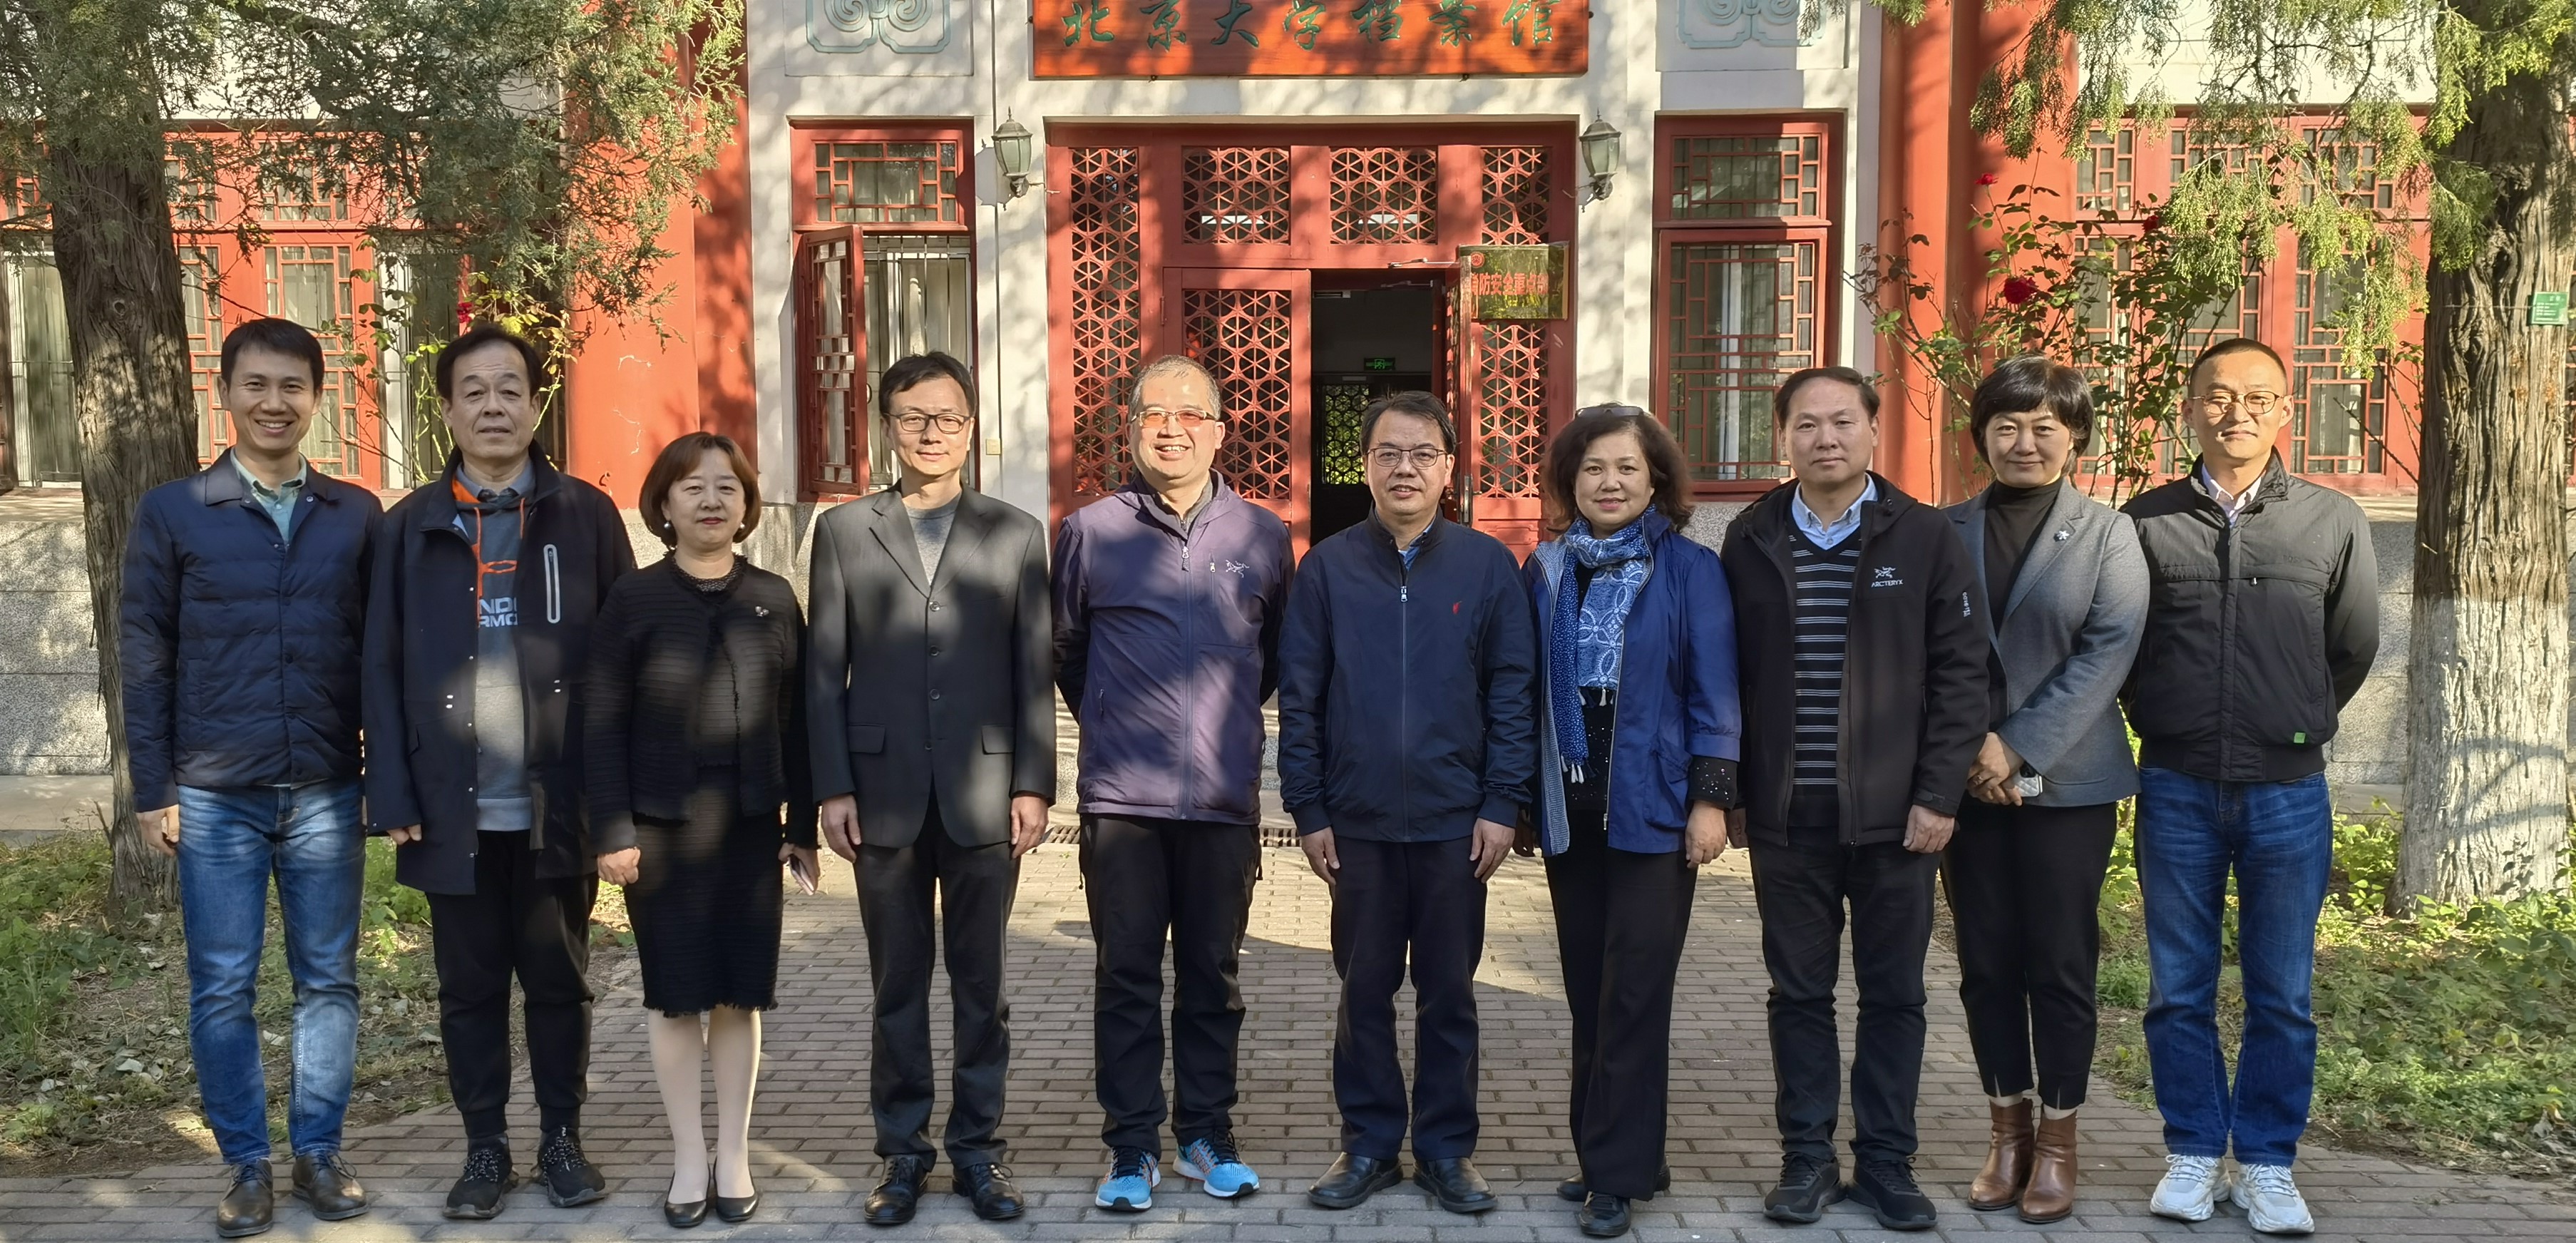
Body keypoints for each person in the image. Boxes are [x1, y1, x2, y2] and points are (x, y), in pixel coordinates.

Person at [364, 324, 635, 1220]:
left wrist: (615, 803)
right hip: (452, 807)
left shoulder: (585, 515)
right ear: (446, 409)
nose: (492, 406)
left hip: (558, 802)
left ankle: (562, 1139)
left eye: (509, 389)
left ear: (536, 404)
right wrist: (391, 791)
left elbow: (624, 663)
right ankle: (485, 1147)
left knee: (558, 982)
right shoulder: (408, 527)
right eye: (473, 391)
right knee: (469, 991)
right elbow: (379, 666)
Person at [120, 318, 382, 1238]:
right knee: (223, 986)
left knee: (329, 981)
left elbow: (383, 654)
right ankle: (246, 1164)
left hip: (325, 788)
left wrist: (385, 777)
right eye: (256, 385)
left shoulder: (355, 514)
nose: (275, 403)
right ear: (224, 393)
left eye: (292, 387)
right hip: (214, 793)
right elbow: (145, 654)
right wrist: (153, 788)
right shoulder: (175, 511)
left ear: (317, 397)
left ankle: (318, 1152)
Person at [1718, 365, 1987, 1232]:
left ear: (1874, 430)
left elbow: (1962, 678)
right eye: (1806, 424)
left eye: (1842, 421)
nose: (1824, 438)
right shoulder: (1751, 537)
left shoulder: (1925, 535)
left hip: (1897, 820)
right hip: (1787, 818)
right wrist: (1732, 792)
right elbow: (1727, 679)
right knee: (1797, 995)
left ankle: (1885, 1163)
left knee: (1894, 996)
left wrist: (1938, 794)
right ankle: (1806, 1160)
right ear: (1782, 438)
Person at [2125, 337, 2378, 1235]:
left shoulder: (2330, 520)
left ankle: (2268, 1163)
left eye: (2257, 397)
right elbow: (2124, 643)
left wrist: (2294, 717)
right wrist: (2163, 714)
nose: (2237, 412)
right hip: (2176, 785)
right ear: (2190, 409)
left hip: (2286, 793)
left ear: (2284, 411)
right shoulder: (2146, 520)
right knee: (2177, 987)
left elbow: (2351, 647)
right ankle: (2194, 1151)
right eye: (2218, 396)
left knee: (2282, 992)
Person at [804, 351, 1055, 1227]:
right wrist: (831, 786)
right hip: (881, 791)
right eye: (913, 417)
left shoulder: (1016, 532)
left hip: (986, 788)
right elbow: (821, 672)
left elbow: (1033, 670)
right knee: (897, 986)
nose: (931, 433)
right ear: (888, 427)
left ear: (972, 427)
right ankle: (902, 1156)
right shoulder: (844, 531)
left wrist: (1034, 782)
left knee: (982, 988)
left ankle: (980, 1152)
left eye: (947, 417)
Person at [1277, 391, 1538, 1217]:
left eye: (1423, 454)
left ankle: (1446, 1150)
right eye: (1388, 453)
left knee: (1448, 994)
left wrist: (1501, 803)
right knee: (1363, 991)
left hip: (1456, 823)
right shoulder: (1326, 568)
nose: (1405, 469)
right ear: (1364, 466)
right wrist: (1309, 810)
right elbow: (1299, 698)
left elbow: (1512, 692)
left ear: (1448, 467)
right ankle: (1367, 1145)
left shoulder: (1486, 567)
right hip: (1355, 824)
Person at [1052, 355, 1293, 1212]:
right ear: (1131, 429)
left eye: (1190, 414)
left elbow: (1271, 660)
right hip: (1123, 800)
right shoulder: (1090, 531)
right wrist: (1118, 718)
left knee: (1211, 976)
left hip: (1222, 799)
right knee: (1125, 977)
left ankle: (1204, 1133)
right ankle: (1129, 1145)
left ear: (1219, 431)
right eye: (1154, 413)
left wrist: (1219, 724)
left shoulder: (1261, 536)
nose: (1171, 428)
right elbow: (1068, 652)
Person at [1516, 406, 1740, 1240]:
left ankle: (1614, 1177)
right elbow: (1522, 693)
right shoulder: (1545, 569)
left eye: (1626, 468)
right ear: (1569, 482)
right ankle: (1618, 1152)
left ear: (1655, 481)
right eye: (1592, 469)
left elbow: (1716, 692)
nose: (1609, 483)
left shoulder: (1689, 569)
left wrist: (1711, 801)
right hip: (1572, 810)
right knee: (1589, 993)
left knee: (1635, 996)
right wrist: (1520, 801)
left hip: (1655, 808)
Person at [583, 432, 818, 1229]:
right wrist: (612, 829)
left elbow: (799, 722)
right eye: (693, 487)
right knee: (676, 998)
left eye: (727, 487)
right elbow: (601, 721)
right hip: (660, 830)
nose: (711, 500)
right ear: (664, 504)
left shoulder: (774, 597)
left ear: (747, 504)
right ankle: (689, 1158)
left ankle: (734, 1155)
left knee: (739, 998)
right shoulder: (634, 599)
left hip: (750, 827)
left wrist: (802, 827)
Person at [1937, 359, 2148, 1224]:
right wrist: (1969, 752)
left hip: (2069, 786)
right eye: (2006, 426)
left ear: (2074, 438)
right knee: (1985, 962)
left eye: (2043, 427)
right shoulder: (1942, 530)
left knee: (2060, 962)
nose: (2024, 442)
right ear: (1981, 436)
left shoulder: (2109, 535)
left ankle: (2059, 1142)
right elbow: (1923, 651)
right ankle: (2007, 1132)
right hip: (1964, 783)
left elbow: (2107, 653)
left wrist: (2015, 746)